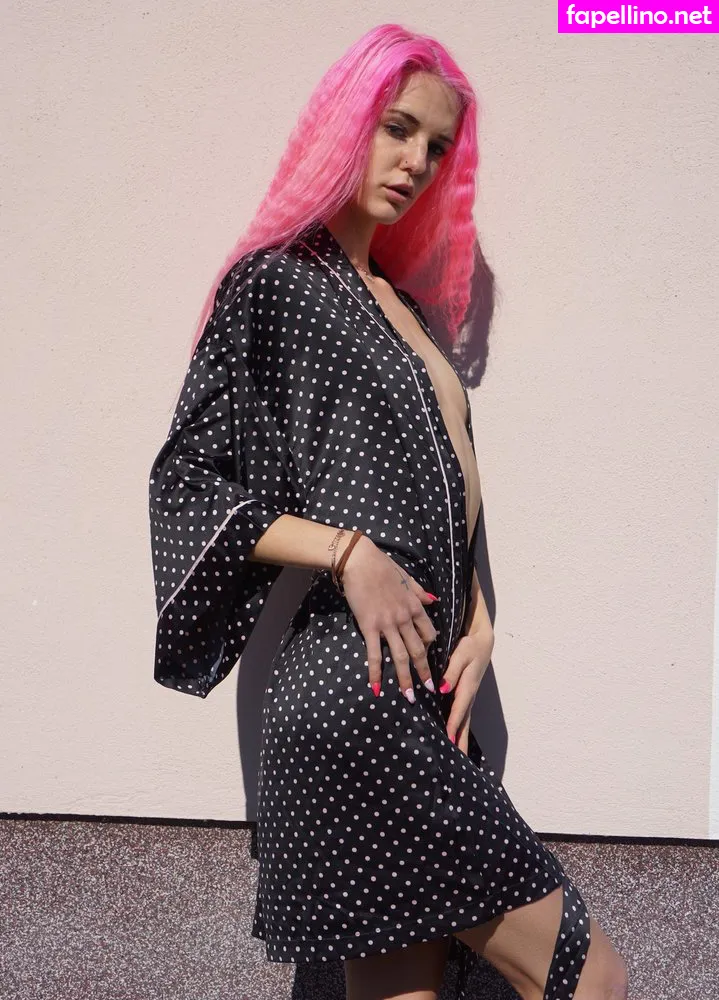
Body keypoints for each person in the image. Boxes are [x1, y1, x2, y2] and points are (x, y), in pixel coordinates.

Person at [148, 23, 629, 1000]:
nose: (414, 161)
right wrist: (347, 553)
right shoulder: (279, 282)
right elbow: (186, 481)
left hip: (420, 693)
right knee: (590, 976)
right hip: (354, 695)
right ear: (347, 124)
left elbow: (455, 487)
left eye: (436, 146)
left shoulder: (407, 312)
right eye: (396, 127)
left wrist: (482, 619)